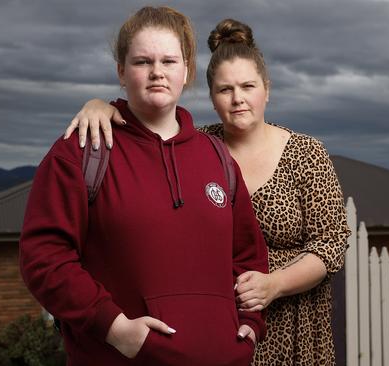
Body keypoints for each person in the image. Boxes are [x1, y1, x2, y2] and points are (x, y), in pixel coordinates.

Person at [64, 18, 351, 366]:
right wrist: (101, 105)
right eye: (224, 89)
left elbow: (331, 243)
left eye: (248, 86)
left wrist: (274, 285)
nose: (238, 99)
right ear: (211, 96)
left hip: (292, 322)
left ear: (267, 89)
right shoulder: (201, 146)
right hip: (215, 329)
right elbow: (150, 129)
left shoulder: (306, 153)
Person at [20, 8, 268, 366]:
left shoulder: (217, 157)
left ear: (187, 72)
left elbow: (248, 257)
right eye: (142, 61)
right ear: (121, 71)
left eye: (169, 60)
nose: (157, 72)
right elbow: (44, 257)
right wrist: (114, 327)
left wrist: (250, 324)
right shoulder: (81, 151)